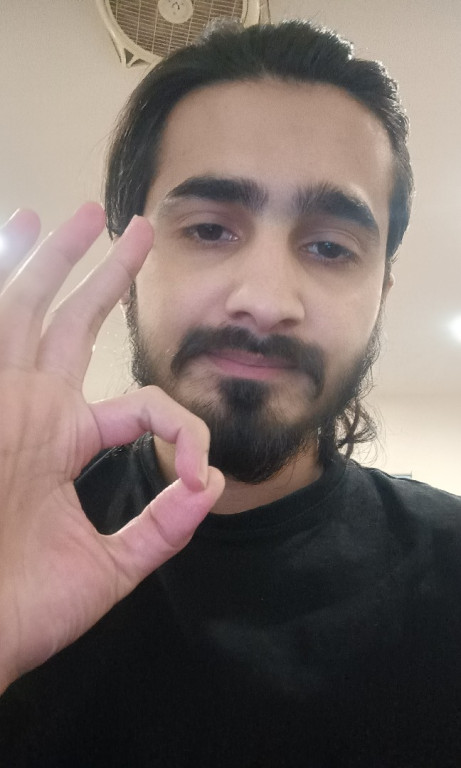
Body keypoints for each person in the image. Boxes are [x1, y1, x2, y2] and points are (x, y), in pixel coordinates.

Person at [0, 18, 460, 768]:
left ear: (380, 290)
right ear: (129, 264)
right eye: (210, 230)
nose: (266, 300)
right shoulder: (8, 537)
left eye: (329, 246)